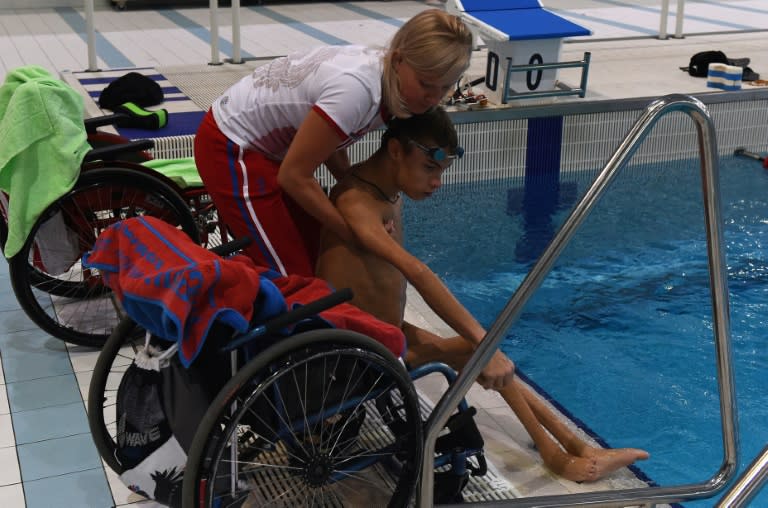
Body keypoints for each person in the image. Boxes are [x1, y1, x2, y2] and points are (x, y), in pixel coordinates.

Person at [315, 107, 650, 483]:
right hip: (359, 351)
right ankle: (560, 455)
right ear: (395, 151)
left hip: (384, 332)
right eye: (430, 169)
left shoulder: (382, 188)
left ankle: (575, 449)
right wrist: (484, 341)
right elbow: (419, 273)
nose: (437, 182)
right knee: (477, 351)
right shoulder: (358, 202)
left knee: (478, 353)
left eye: (441, 171)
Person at [194, 9, 473, 277]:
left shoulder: (389, 79)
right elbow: (294, 176)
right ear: (399, 59)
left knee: (318, 253)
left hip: (270, 152)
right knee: (293, 277)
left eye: (445, 86)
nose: (434, 98)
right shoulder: (357, 91)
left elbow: (329, 145)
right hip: (231, 146)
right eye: (426, 84)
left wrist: (358, 202)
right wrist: (353, 233)